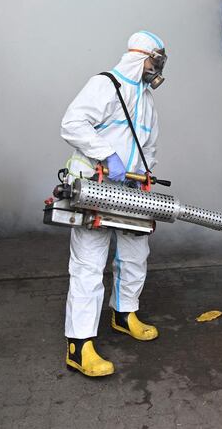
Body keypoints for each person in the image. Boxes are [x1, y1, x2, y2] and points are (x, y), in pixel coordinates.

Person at [59, 31, 167, 377]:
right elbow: (72, 124)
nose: (156, 69)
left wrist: (145, 177)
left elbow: (148, 147)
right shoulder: (105, 85)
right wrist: (108, 156)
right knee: (89, 264)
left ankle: (124, 314)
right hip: (95, 187)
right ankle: (80, 347)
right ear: (140, 58)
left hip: (131, 191)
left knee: (135, 254)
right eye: (155, 62)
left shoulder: (147, 100)